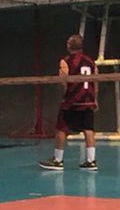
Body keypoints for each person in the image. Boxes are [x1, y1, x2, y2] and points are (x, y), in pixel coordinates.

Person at [39, 35, 99, 171]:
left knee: (61, 129)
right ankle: (91, 161)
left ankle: (58, 160)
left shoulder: (65, 61)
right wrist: (94, 99)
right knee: (88, 129)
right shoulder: (91, 62)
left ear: (68, 46)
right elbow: (96, 81)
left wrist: (66, 96)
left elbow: (63, 81)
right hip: (88, 101)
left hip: (72, 101)